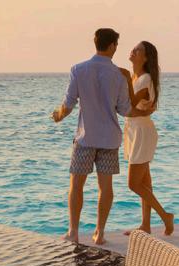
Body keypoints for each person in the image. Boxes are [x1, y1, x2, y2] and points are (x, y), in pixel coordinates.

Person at [52, 28, 131, 245]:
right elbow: (124, 110)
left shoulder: (78, 69)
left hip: (85, 138)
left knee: (76, 185)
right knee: (105, 187)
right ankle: (100, 233)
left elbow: (68, 104)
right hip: (109, 139)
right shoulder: (119, 75)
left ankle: (73, 232)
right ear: (112, 45)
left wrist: (58, 116)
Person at [121, 41, 174, 236]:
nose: (133, 51)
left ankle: (165, 216)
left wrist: (125, 78)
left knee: (133, 184)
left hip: (142, 132)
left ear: (145, 57)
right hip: (134, 130)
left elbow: (129, 103)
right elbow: (127, 107)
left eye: (138, 50)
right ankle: (145, 225)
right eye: (133, 48)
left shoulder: (145, 79)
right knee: (145, 183)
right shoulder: (135, 77)